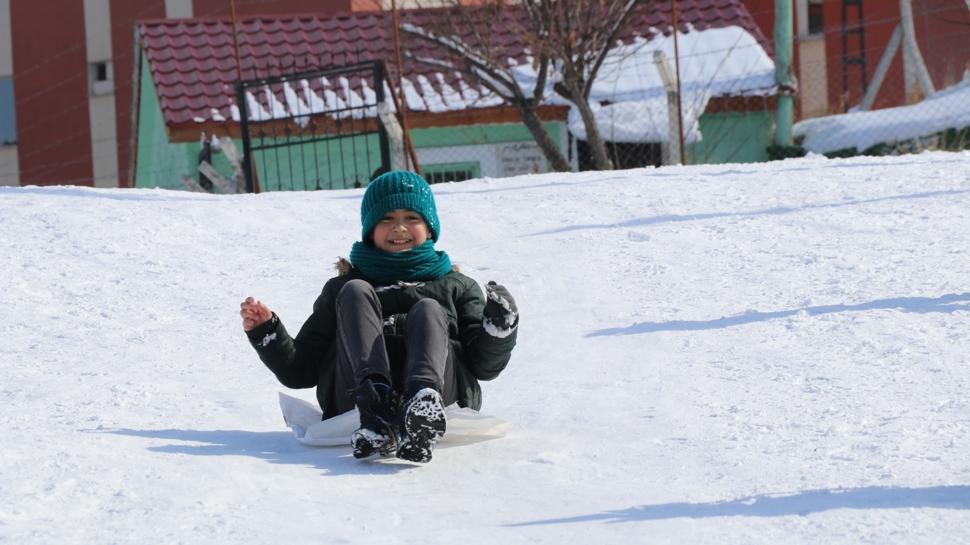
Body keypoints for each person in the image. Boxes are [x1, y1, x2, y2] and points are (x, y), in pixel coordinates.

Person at [239, 170, 518, 463]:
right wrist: (267, 333)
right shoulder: (341, 290)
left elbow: (483, 366)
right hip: (353, 400)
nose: (399, 227)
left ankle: (422, 406)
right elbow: (301, 371)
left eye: (412, 217)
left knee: (428, 309)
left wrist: (498, 331)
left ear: (429, 228)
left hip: (443, 396)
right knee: (355, 291)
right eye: (386, 218)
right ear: (370, 230)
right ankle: (374, 404)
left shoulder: (456, 286)